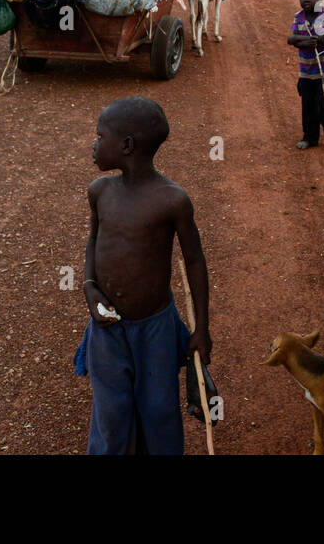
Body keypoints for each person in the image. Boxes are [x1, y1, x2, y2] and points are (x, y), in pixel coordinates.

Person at [73, 97, 211, 454]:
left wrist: (201, 330)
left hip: (156, 330)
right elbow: (93, 241)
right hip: (106, 331)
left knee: (159, 410)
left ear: (127, 146)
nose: (94, 143)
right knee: (112, 413)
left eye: (100, 136)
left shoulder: (172, 201)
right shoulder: (99, 193)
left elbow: (194, 261)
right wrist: (89, 289)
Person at [287, 0, 324, 150]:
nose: (306, 0)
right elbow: (291, 39)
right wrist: (305, 41)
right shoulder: (298, 17)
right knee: (307, 107)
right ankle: (310, 138)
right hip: (306, 73)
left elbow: (323, 38)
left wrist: (302, 41)